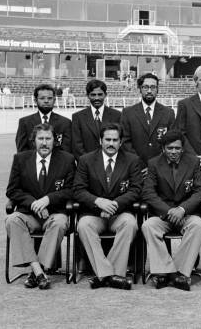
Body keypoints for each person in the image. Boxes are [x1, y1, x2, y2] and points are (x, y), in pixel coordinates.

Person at [5, 123, 76, 289]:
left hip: (55, 214)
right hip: (30, 215)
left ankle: (35, 272)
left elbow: (72, 190)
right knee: (12, 220)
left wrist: (48, 200)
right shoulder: (20, 159)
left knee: (59, 223)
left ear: (55, 140)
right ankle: (39, 271)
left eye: (48, 138)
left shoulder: (67, 160)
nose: (44, 143)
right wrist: (34, 204)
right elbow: (12, 190)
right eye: (40, 139)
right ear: (34, 140)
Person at [73, 123, 142, 289]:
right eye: (108, 139)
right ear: (100, 140)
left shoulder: (132, 160)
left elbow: (136, 189)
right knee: (83, 225)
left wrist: (115, 204)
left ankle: (107, 275)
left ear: (121, 142)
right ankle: (111, 276)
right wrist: (98, 202)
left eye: (115, 140)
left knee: (130, 223)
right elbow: (78, 189)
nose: (111, 143)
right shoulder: (86, 160)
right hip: (94, 213)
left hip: (120, 213)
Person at [141, 130, 201, 291]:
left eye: (177, 148)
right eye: (170, 148)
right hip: (164, 214)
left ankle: (177, 272)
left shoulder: (193, 162)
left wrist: (183, 209)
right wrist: (169, 211)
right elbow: (148, 192)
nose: (174, 152)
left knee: (198, 225)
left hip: (187, 213)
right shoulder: (154, 163)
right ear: (163, 149)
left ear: (182, 148)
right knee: (148, 226)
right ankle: (167, 271)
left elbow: (200, 191)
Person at [120, 73, 175, 172]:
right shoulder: (128, 113)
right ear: (140, 89)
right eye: (145, 87)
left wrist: (155, 165)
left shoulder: (168, 113)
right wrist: (139, 164)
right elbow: (125, 143)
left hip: (161, 169)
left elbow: (172, 142)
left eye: (153, 87)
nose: (149, 91)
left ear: (157, 89)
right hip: (136, 169)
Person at [72, 79, 122, 160]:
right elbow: (77, 146)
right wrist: (89, 164)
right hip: (86, 166)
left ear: (105, 95)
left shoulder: (117, 115)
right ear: (87, 95)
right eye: (93, 95)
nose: (96, 98)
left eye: (100, 94)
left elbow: (120, 142)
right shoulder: (78, 117)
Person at [15, 84, 72, 153]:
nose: (46, 101)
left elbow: (67, 150)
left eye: (49, 98)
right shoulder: (24, 122)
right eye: (42, 98)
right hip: (32, 163)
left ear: (54, 100)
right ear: (35, 100)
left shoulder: (65, 123)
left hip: (58, 163)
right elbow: (22, 150)